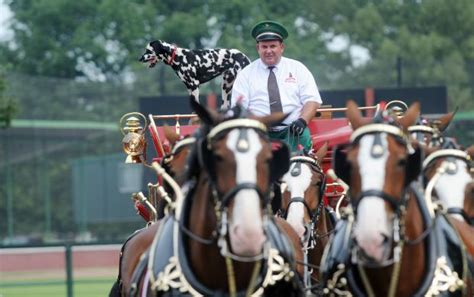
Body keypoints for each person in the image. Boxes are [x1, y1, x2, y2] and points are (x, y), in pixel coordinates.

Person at [231, 20, 322, 152]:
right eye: (264, 47)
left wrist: (302, 121)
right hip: (258, 133)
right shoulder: (245, 74)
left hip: (293, 131)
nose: (268, 51)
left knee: (299, 167)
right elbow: (239, 108)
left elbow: (312, 101)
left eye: (273, 46)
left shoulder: (298, 69)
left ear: (282, 47)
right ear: (258, 48)